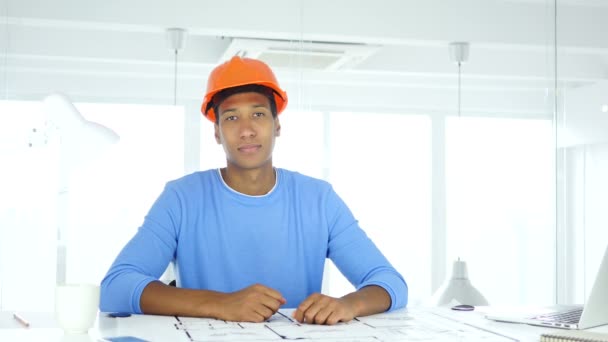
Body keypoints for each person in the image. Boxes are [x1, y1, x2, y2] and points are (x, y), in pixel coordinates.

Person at [100, 56, 408, 325]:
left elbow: (390, 283)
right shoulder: (181, 198)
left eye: (258, 114)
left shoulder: (319, 199)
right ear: (217, 132)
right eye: (231, 117)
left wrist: (347, 304)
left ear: (277, 125)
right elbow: (115, 288)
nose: (246, 129)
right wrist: (221, 304)